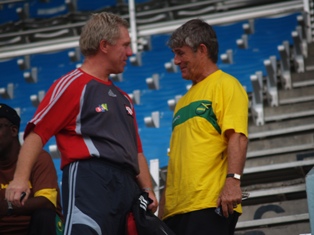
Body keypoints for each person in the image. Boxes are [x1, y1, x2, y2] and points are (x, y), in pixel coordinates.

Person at [5, 12, 158, 235]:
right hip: (90, 179)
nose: (130, 52)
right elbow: (37, 134)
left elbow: (137, 152)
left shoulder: (124, 98)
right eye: (125, 45)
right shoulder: (72, 85)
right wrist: (19, 180)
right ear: (104, 45)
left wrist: (147, 189)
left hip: (128, 187)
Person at [158, 19, 249, 235]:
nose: (176, 60)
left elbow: (238, 137)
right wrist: (161, 213)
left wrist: (233, 181)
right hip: (175, 211)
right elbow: (176, 161)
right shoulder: (182, 102)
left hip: (209, 204)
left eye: (181, 53)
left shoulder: (226, 84)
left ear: (201, 50)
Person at [0, 103, 63, 235]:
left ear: (13, 131)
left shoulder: (38, 158)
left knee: (45, 215)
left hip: (34, 229)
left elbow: (47, 203)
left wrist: (8, 207)